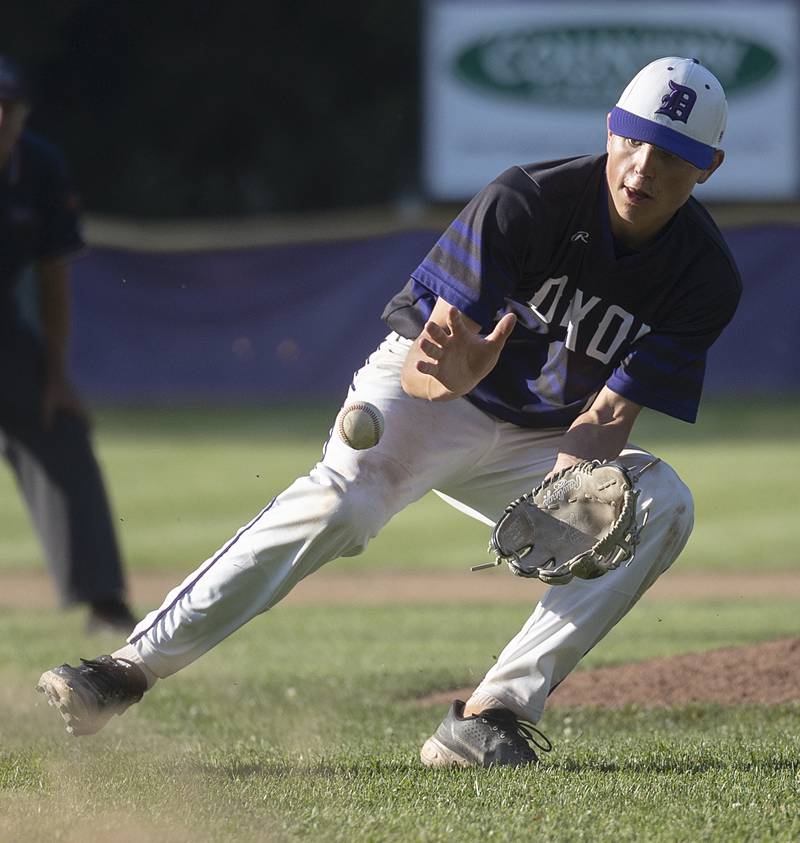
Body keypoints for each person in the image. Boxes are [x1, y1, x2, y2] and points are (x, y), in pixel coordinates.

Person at [37, 57, 741, 764]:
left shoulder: (705, 275)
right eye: (634, 137)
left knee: (661, 503)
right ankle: (126, 669)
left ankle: (491, 715)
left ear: (706, 165)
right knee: (345, 503)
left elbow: (613, 410)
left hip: (552, 433)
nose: (643, 165)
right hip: (433, 399)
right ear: (610, 131)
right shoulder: (528, 199)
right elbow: (424, 367)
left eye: (672, 152)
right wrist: (447, 377)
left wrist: (568, 487)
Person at [0, 55, 136, 633]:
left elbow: (53, 275)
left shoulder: (38, 167)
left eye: (6, 107)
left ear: (21, 112)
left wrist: (55, 374)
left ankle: (103, 600)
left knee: (61, 426)